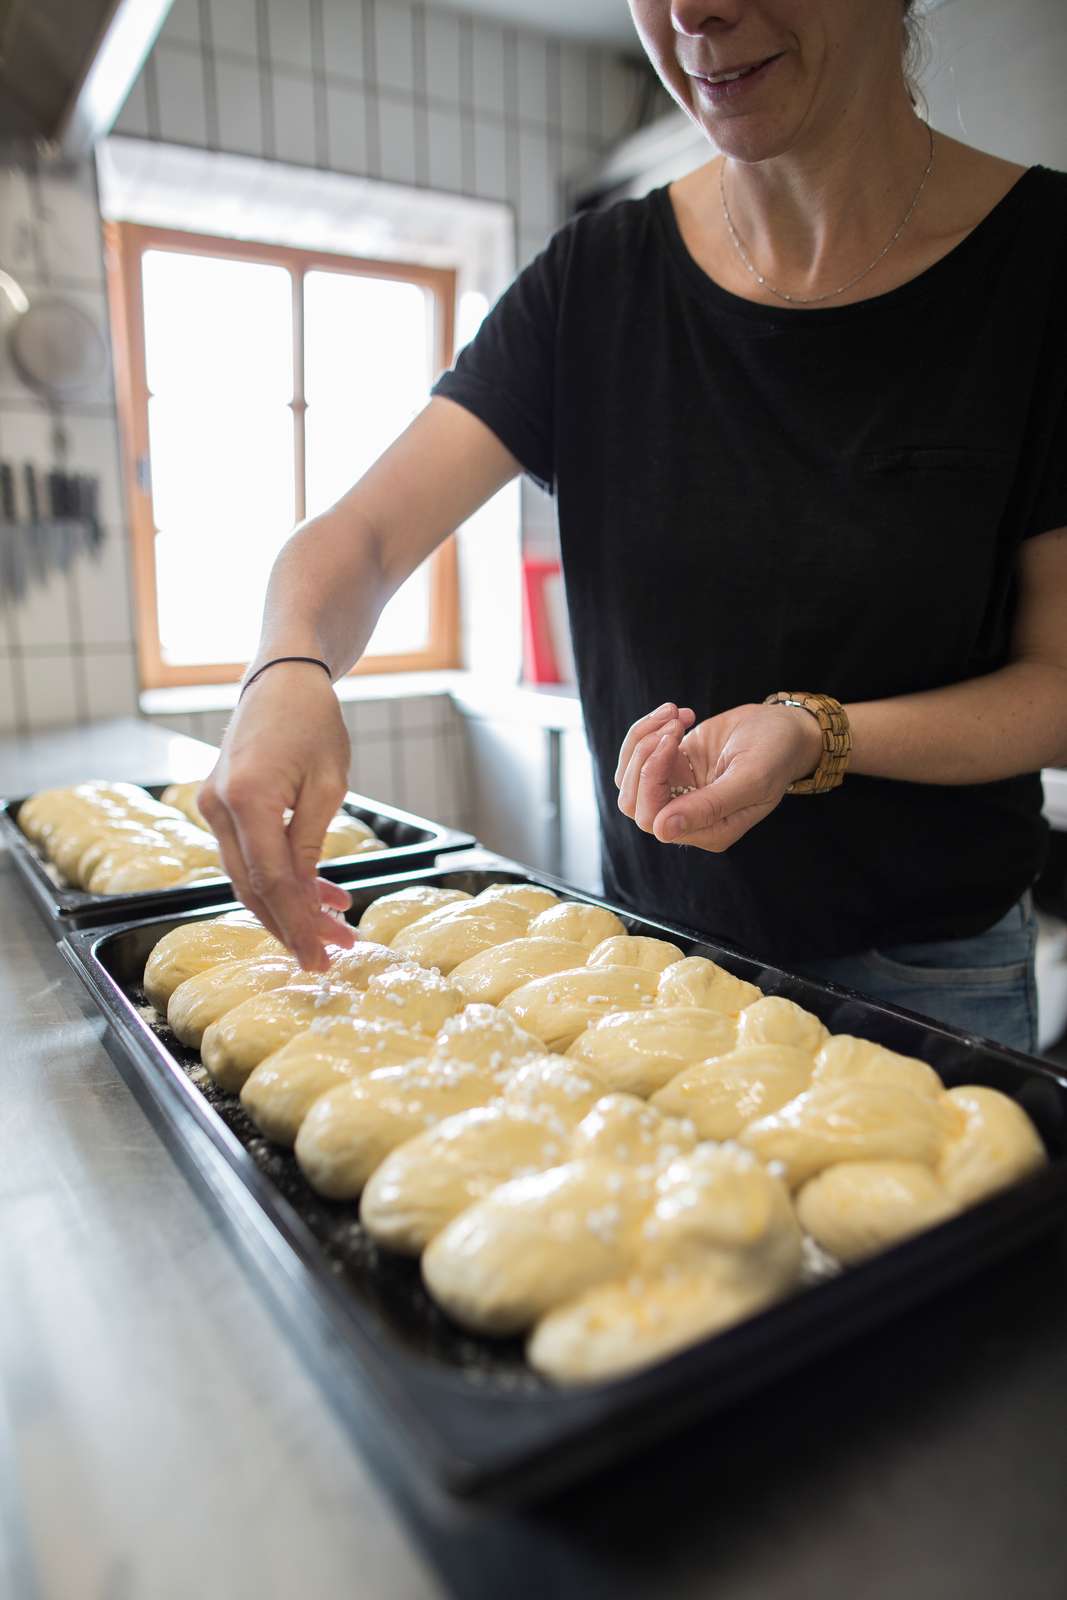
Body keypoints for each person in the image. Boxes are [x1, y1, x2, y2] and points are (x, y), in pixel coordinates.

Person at [200, 0, 1067, 1055]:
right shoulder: (593, 283)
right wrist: (285, 669)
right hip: (654, 962)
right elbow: (362, 538)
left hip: (925, 983)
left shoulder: (1041, 268)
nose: (692, 10)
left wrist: (815, 730)